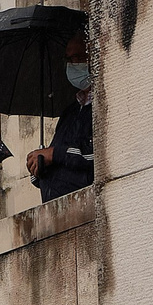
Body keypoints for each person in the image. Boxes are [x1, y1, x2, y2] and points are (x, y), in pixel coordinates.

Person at [28, 31, 97, 201]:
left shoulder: (103, 104)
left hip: (86, 202)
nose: (74, 64)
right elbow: (58, 155)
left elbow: (95, 156)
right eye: (70, 59)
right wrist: (38, 163)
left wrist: (54, 154)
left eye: (79, 57)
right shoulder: (70, 112)